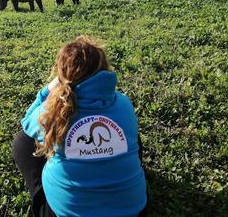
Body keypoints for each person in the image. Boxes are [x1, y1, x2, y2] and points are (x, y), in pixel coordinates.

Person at [12, 36, 147, 217]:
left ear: (62, 77)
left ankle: (39, 192)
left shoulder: (51, 112)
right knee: (129, 133)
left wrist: (48, 89)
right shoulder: (124, 104)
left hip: (67, 213)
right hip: (133, 211)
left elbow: (27, 120)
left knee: (23, 141)